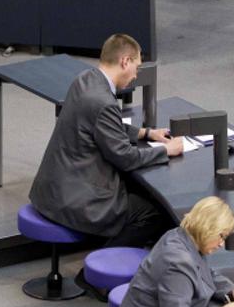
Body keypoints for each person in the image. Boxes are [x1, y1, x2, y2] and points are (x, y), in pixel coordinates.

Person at [28, 33, 180, 285]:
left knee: (137, 193)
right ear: (125, 61)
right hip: (74, 198)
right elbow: (126, 158)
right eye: (136, 67)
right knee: (155, 213)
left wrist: (145, 133)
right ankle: (94, 278)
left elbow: (103, 125)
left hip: (54, 187)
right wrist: (167, 150)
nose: (135, 75)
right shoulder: (103, 101)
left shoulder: (85, 80)